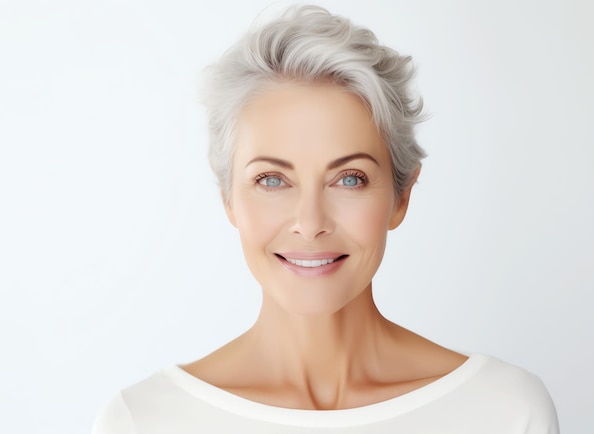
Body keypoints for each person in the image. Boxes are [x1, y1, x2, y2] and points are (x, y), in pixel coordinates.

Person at [93, 5, 559, 433]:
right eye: (273, 180)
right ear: (228, 198)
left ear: (402, 196)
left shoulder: (502, 411)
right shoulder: (144, 421)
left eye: (349, 179)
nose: (310, 222)